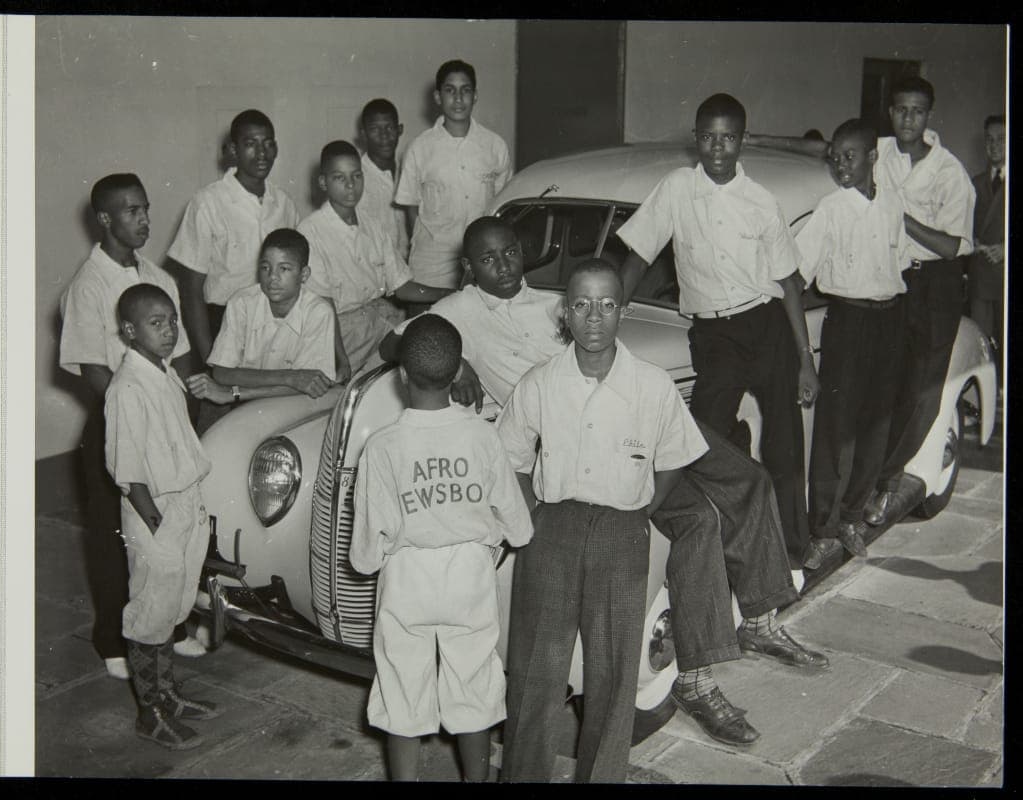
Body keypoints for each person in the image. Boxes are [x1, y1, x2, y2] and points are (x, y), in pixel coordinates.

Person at [381, 216, 827, 752]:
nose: (504, 265)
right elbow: (393, 343)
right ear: (469, 267)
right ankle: (695, 678)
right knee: (697, 519)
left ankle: (760, 611)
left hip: (627, 407)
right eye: (489, 258)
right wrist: (457, 364)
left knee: (749, 477)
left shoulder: (552, 300)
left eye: (510, 253)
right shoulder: (455, 312)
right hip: (568, 437)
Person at [494, 259, 708, 782]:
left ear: (624, 312)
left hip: (621, 534)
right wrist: (535, 515)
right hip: (552, 531)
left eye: (608, 305)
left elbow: (677, 454)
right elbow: (511, 456)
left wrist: (645, 507)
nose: (595, 317)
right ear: (564, 314)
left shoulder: (652, 386)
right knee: (534, 672)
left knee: (613, 676)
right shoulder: (541, 383)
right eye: (583, 305)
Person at [746, 77, 976, 526]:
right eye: (900, 109)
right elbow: (824, 150)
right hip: (868, 302)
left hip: (932, 285)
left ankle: (881, 488)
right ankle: (834, 514)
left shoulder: (950, 174)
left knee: (909, 399)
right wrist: (756, 138)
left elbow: (949, 248)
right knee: (850, 415)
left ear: (929, 115)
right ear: (890, 113)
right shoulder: (871, 159)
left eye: (917, 111)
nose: (908, 118)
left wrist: (895, 214)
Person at [614, 92, 820, 569]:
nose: (717, 149)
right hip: (714, 336)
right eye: (708, 137)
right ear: (696, 139)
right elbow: (638, 255)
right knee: (703, 438)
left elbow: (788, 285)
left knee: (785, 446)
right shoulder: (676, 188)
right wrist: (610, 311)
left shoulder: (762, 202)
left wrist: (804, 362)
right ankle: (728, 545)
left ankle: (791, 554)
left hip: (766, 325)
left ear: (742, 140)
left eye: (728, 138)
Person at [349, 314, 533, 782]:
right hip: (469, 577)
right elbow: (519, 527)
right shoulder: (482, 434)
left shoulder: (383, 446)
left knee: (402, 690)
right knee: (473, 686)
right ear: (457, 375)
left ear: (403, 375)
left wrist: (370, 560)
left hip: (407, 580)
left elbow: (367, 548)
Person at [59, 173, 203, 680]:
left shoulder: (159, 280)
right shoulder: (89, 285)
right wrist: (140, 411)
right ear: (104, 218)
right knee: (116, 535)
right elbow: (94, 370)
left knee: (173, 536)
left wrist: (186, 410)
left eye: (145, 208)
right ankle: (113, 640)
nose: (144, 219)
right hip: (117, 424)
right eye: (131, 211)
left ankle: (172, 628)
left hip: (164, 424)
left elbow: (181, 359)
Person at [104, 283, 222, 750]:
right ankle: (148, 710)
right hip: (155, 511)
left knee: (173, 608)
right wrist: (155, 522)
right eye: (157, 323)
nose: (170, 330)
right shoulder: (127, 387)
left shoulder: (163, 372)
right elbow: (126, 467)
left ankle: (169, 695)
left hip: (184, 504)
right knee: (150, 612)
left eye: (172, 320)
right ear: (130, 330)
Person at [795, 120, 909, 570]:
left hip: (889, 321)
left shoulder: (892, 205)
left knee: (876, 423)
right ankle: (822, 531)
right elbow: (795, 274)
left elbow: (899, 265)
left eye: (850, 156)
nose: (840, 165)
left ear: (872, 158)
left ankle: (852, 519)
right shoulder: (830, 209)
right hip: (850, 321)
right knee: (836, 430)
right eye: (835, 157)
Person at [298, 140, 452, 374]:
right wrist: (340, 360)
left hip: (381, 319)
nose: (350, 185)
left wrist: (450, 293)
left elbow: (402, 287)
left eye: (357, 176)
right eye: (339, 178)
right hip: (341, 334)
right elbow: (324, 310)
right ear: (323, 182)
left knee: (427, 354)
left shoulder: (372, 225)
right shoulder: (310, 232)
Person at [167, 109, 300, 366]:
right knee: (227, 404)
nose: (261, 153)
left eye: (268, 144)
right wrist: (210, 359)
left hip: (276, 323)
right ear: (232, 150)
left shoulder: (284, 204)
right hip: (222, 323)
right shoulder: (207, 202)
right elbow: (191, 290)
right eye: (250, 144)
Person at [189, 228, 347, 433]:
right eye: (265, 267)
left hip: (289, 406)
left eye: (284, 269)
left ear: (304, 274)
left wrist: (233, 393)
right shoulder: (241, 302)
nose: (272, 277)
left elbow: (311, 386)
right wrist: (291, 378)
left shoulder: (319, 312)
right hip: (238, 404)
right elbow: (221, 372)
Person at [394, 59, 513, 293]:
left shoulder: (494, 145)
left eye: (465, 90)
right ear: (438, 97)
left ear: (475, 96)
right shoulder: (420, 147)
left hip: (484, 260)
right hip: (433, 263)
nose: (458, 98)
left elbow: (503, 205)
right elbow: (411, 207)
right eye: (450, 90)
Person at [968, 114, 1005, 386]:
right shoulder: (975, 182)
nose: (994, 146)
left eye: (1001, 139)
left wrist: (1006, 248)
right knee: (981, 341)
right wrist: (973, 242)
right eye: (990, 140)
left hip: (1005, 274)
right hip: (981, 274)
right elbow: (963, 224)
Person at [357, 98, 410, 260]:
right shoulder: (355, 178)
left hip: (411, 270)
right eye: (375, 129)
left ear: (400, 130)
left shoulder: (410, 171)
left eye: (389, 127)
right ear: (363, 134)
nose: (384, 136)